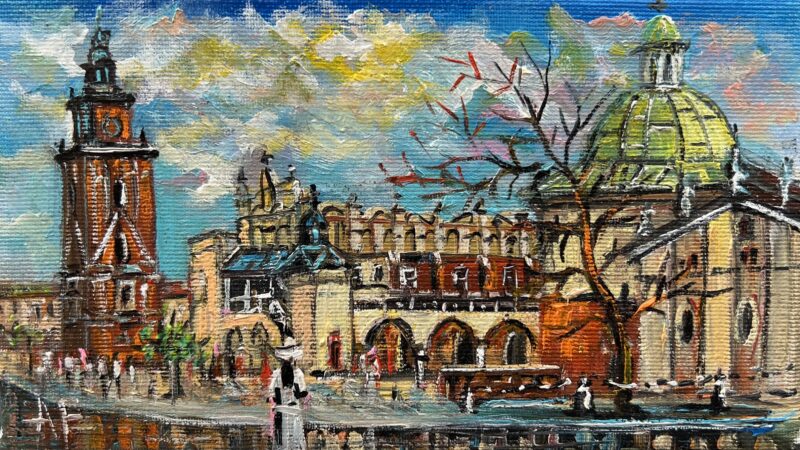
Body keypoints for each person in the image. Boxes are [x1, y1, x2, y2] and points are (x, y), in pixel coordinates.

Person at [268, 337, 308, 450]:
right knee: (295, 443)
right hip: (293, 413)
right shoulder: (298, 373)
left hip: (282, 414)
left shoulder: (276, 374)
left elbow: (272, 395)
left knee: (283, 444)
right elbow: (302, 393)